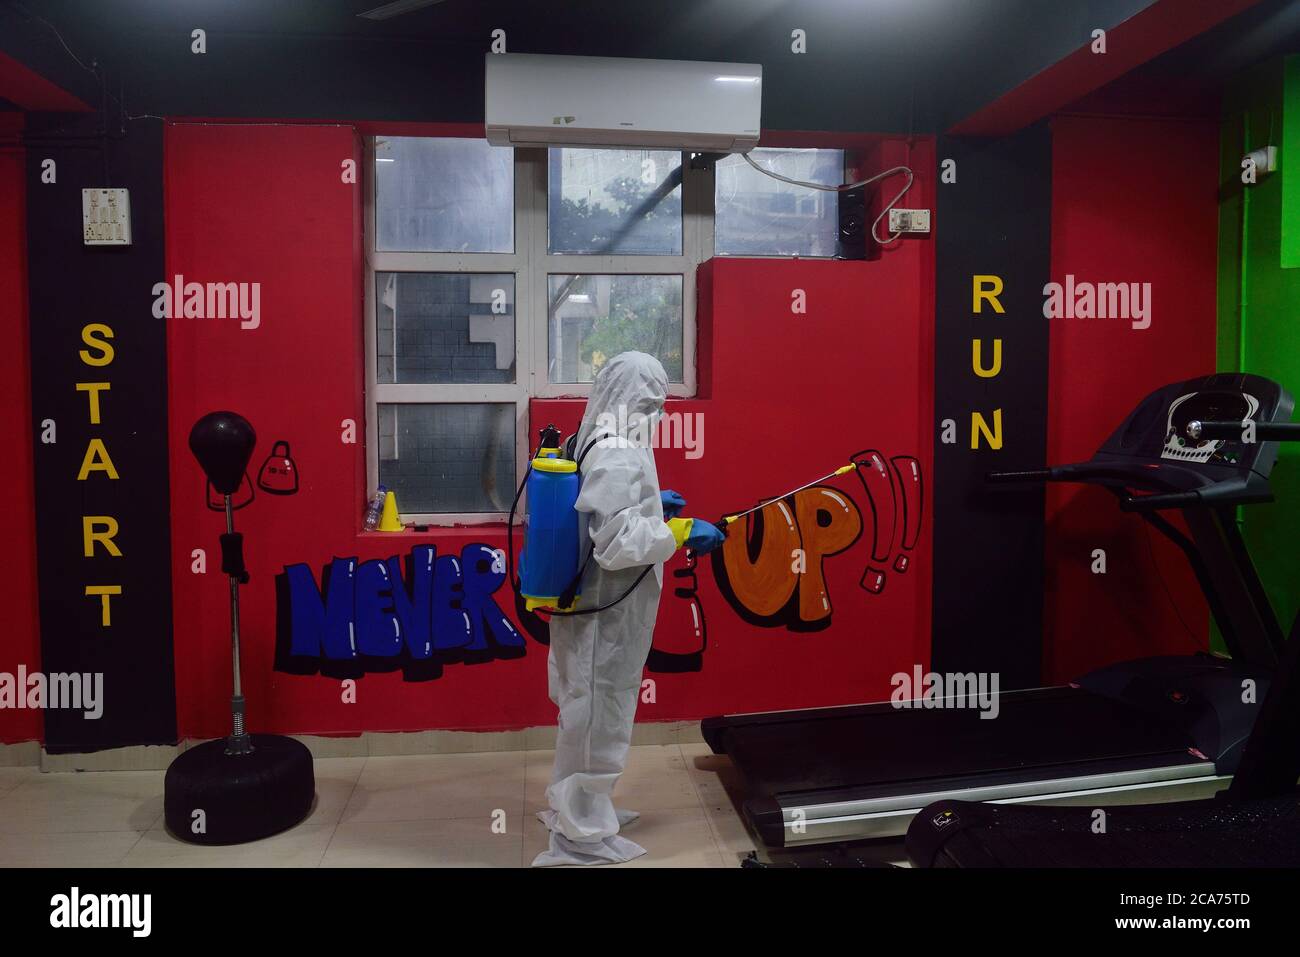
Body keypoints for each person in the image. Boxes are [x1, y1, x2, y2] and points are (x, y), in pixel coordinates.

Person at [532, 351, 725, 867]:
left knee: (584, 713)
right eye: (652, 401)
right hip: (604, 616)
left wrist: (653, 505)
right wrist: (681, 530)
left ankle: (579, 807)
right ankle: (581, 838)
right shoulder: (618, 448)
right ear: (632, 398)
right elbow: (615, 542)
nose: (658, 412)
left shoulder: (593, 435)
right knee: (599, 718)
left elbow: (600, 513)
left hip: (595, 610)